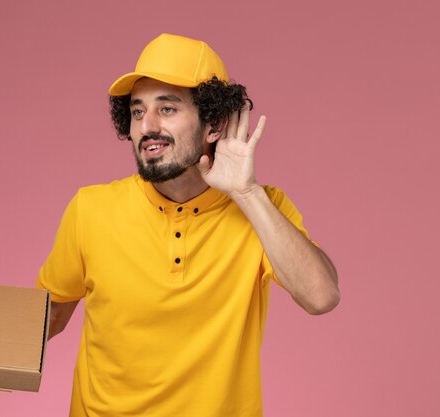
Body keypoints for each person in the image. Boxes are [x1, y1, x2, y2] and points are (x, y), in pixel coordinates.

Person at [36, 33, 340, 417]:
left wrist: (247, 194)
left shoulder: (263, 211)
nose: (147, 126)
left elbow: (322, 296)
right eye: (137, 111)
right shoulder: (90, 209)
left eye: (167, 109)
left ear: (213, 125)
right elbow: (48, 318)